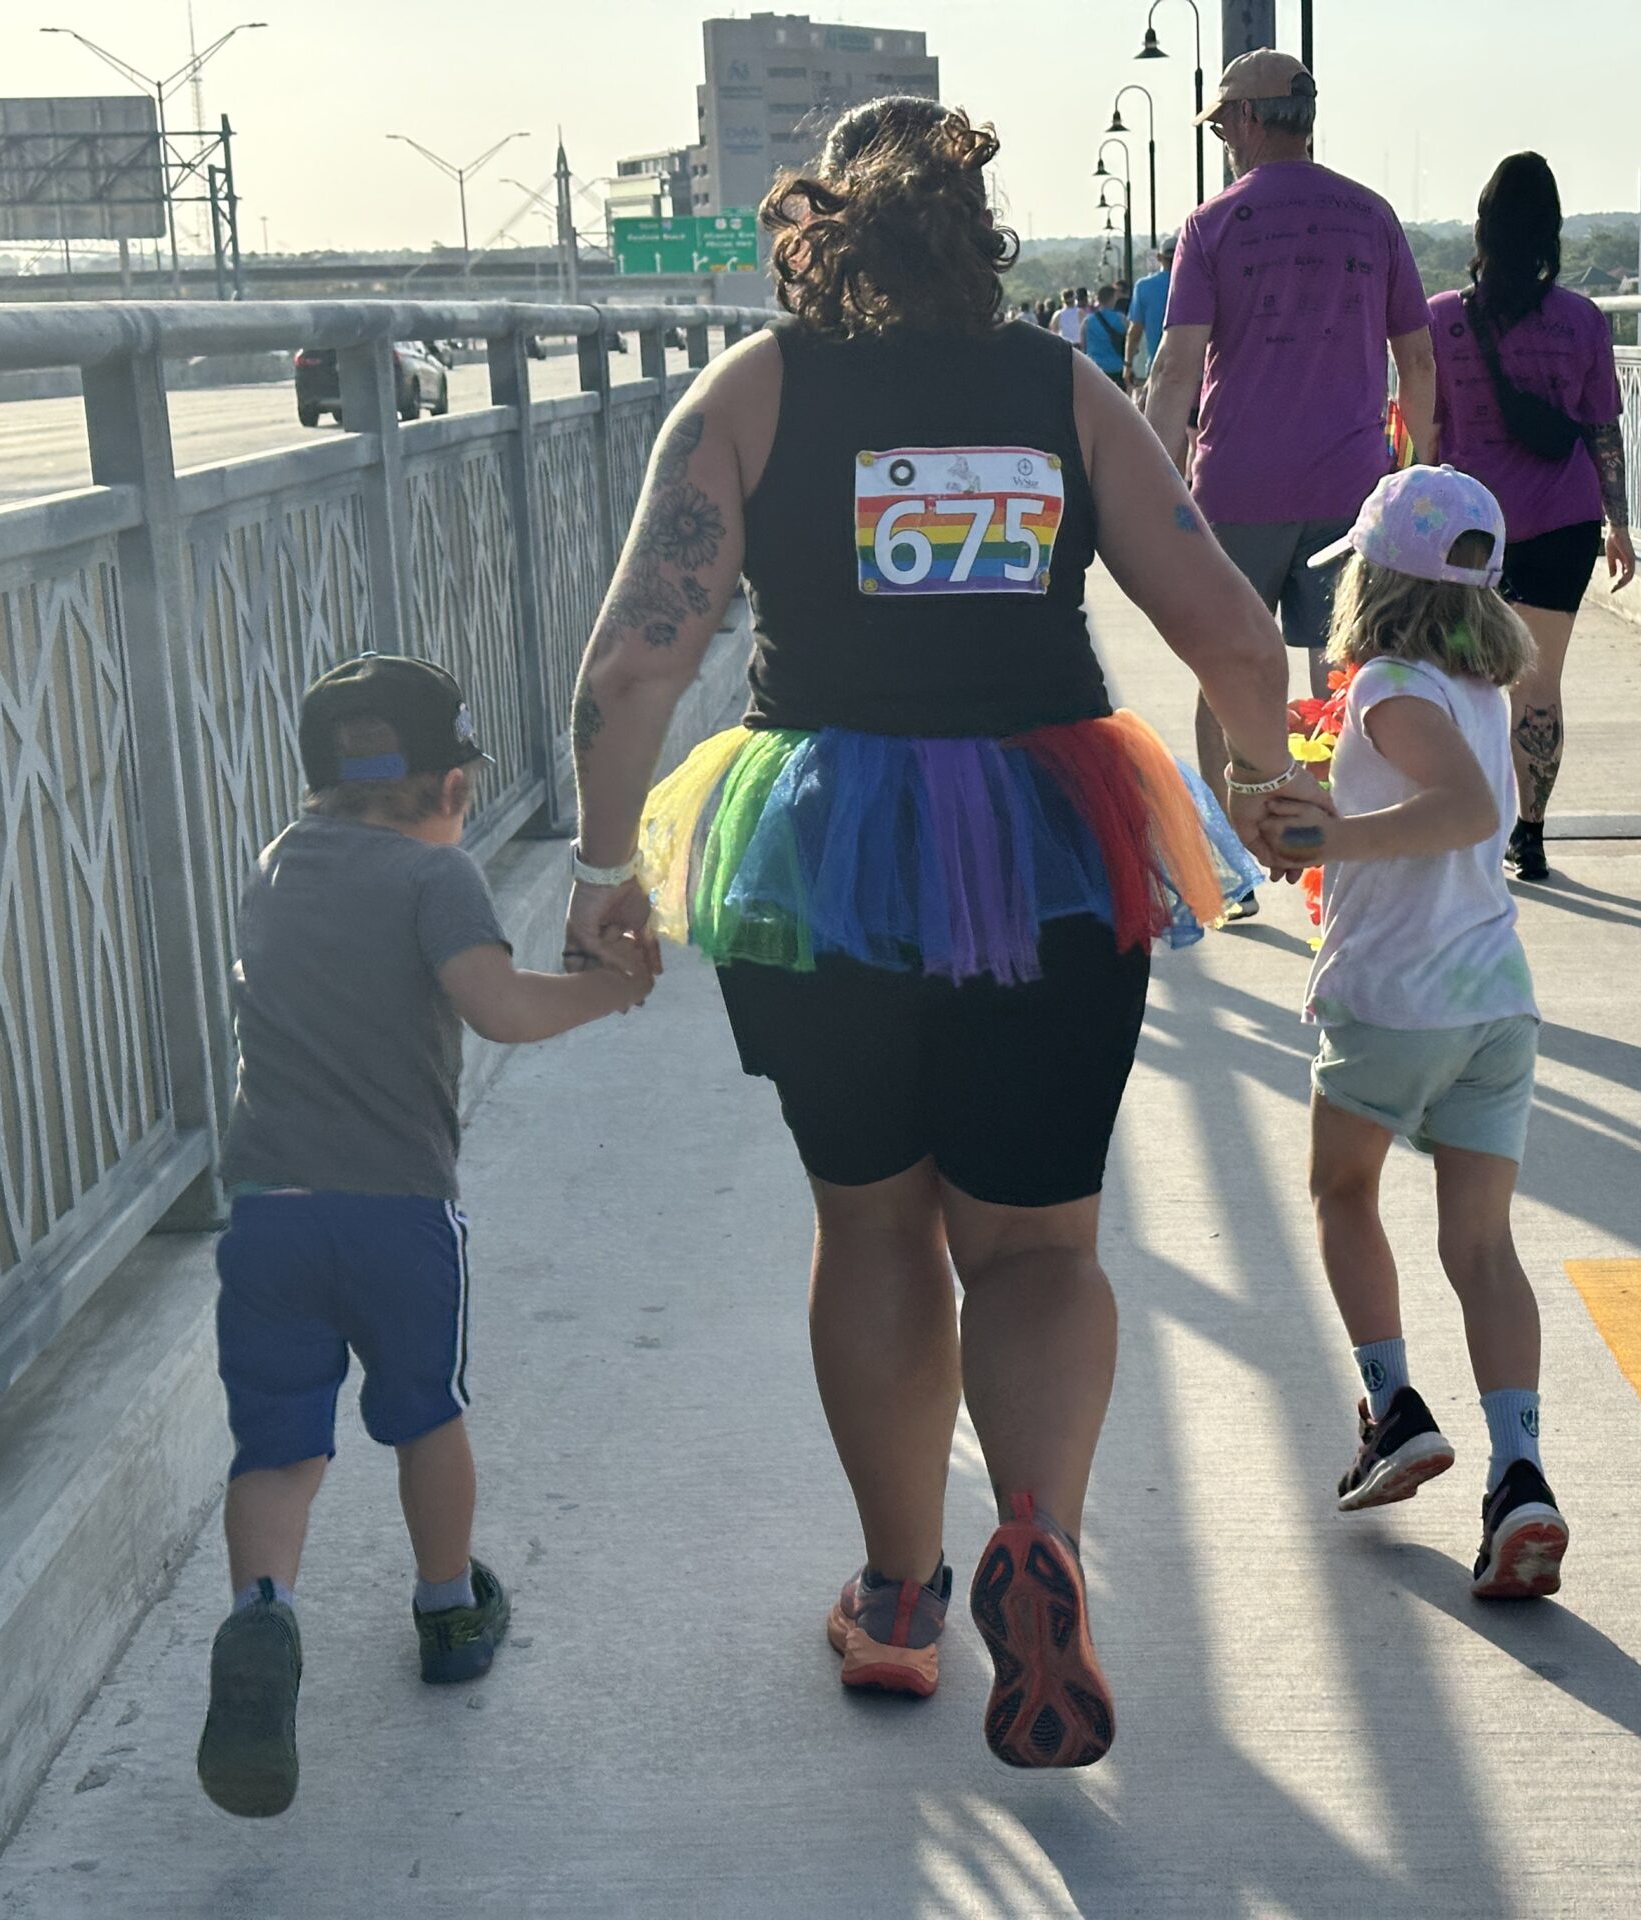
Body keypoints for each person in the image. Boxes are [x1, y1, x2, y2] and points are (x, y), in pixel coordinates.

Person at [561, 98, 1303, 1770]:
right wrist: (1259, 784)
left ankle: (902, 1597)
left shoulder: (753, 394)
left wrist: (606, 865)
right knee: (1037, 1246)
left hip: (822, 860)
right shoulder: (1061, 392)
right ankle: (1036, 1528)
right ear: (979, 231)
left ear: (815, 229)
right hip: (1052, 847)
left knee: (875, 1226)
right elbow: (1240, 637)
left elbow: (631, 663)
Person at [194, 656, 652, 1819]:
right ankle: (449, 1606)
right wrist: (604, 991)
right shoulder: (432, 878)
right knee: (424, 1414)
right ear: (454, 786)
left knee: (279, 1451)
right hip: (398, 1215)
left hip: (268, 1217)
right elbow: (496, 1006)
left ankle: (263, 1617)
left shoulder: (276, 868)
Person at [1262, 465, 1570, 1602]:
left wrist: (1325, 842)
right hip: (1496, 1005)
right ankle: (1520, 1477)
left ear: (1376, 579)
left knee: (1342, 1191)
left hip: (1397, 1001)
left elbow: (1464, 814)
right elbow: (1450, 803)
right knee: (1481, 1248)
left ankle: (1392, 1407)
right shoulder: (1478, 686)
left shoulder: (1390, 679)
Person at [1143, 47, 1439, 872]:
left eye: (1224, 125)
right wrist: (1422, 471)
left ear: (1245, 121)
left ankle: (1229, 855)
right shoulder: (1372, 216)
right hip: (1349, 490)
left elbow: (1174, 369)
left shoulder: (1213, 226)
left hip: (1236, 486)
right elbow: (1417, 363)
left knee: (1223, 666)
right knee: (1340, 670)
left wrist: (1149, 481)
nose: (1224, 141)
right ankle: (1324, 838)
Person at [1428, 153, 1637, 884]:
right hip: (1563, 521)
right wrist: (1620, 524)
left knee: (1460, 683)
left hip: (1463, 532)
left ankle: (1466, 824)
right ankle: (1533, 834)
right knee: (1538, 687)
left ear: (1483, 228)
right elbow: (1602, 431)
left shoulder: (1441, 321)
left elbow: (1421, 436)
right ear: (1551, 232)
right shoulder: (1583, 321)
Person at [1125, 238, 1174, 389]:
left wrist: (1128, 363)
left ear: (1159, 257)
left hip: (1157, 366)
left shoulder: (1144, 287)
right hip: (1196, 369)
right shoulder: (1199, 285)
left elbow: (1135, 331)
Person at [1081, 279, 1130, 386]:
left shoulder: (1087, 321)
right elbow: (1131, 338)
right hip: (1117, 368)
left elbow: (1083, 347)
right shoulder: (1121, 319)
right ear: (1113, 298)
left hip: (1095, 368)